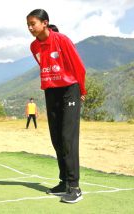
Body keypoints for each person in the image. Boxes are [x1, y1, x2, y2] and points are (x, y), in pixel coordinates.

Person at [26, 9, 86, 203]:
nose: (30, 28)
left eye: (33, 23)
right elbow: (43, 66)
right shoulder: (33, 46)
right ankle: (63, 183)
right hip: (51, 91)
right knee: (57, 139)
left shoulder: (62, 40)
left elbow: (78, 67)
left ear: (45, 23)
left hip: (70, 88)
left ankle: (74, 187)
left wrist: (81, 91)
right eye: (28, 24)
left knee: (68, 138)